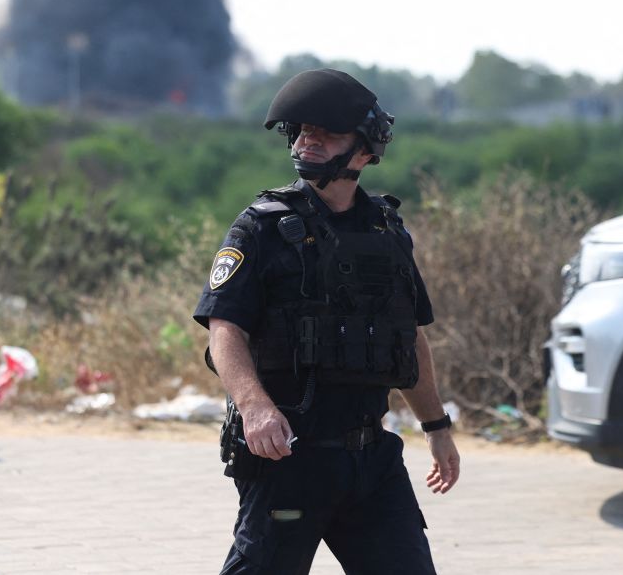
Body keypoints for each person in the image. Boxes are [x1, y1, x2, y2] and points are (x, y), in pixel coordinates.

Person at [194, 68, 461, 574]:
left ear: (363, 151)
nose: (308, 140)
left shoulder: (387, 231)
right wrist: (255, 408)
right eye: (302, 130)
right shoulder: (263, 227)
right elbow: (225, 328)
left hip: (372, 461)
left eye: (326, 132)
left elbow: (409, 338)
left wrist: (436, 426)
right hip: (289, 459)